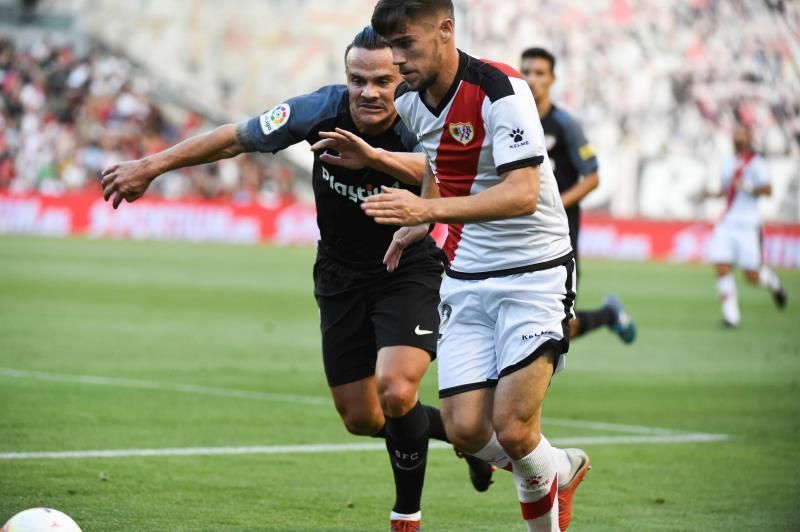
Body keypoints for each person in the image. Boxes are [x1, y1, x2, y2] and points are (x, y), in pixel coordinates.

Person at [99, 27, 492, 532]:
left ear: (402, 80)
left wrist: (378, 162)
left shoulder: (423, 119)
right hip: (340, 273)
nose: (369, 92)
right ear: (345, 78)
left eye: (382, 81)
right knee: (364, 418)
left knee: (396, 391)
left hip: (408, 265)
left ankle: (406, 517)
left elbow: (449, 170)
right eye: (358, 80)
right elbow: (234, 138)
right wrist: (151, 165)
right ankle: (469, 441)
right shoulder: (319, 112)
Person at [366, 1, 590, 530]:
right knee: (465, 430)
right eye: (391, 47)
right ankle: (558, 466)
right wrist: (422, 218)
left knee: (513, 429)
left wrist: (429, 209)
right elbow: (439, 164)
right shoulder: (412, 100)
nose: (396, 60)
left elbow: (521, 194)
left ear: (445, 30)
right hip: (466, 273)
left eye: (406, 44)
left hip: (535, 271)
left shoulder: (500, 90)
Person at [520, 47, 636, 344]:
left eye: (540, 73)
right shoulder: (513, 119)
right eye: (526, 72)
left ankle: (609, 315)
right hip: (522, 232)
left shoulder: (566, 126)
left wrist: (554, 204)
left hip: (559, 234)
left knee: (558, 329)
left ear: (553, 79)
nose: (532, 79)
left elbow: (593, 177)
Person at [700, 122, 787, 327]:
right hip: (727, 223)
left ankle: (774, 283)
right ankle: (731, 317)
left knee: (751, 276)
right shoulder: (728, 162)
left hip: (748, 226)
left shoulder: (757, 163)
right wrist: (710, 194)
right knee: (721, 267)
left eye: (742, 134)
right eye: (736, 133)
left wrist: (749, 187)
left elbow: (768, 190)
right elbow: (726, 191)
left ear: (750, 138)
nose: (738, 137)